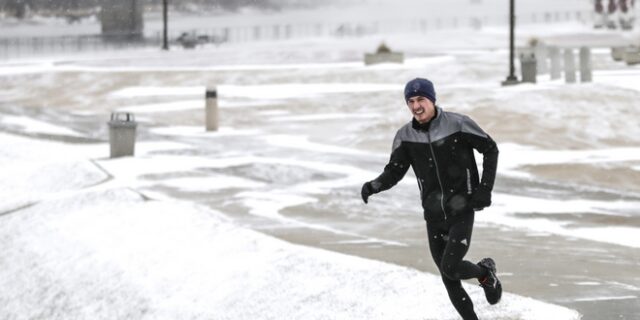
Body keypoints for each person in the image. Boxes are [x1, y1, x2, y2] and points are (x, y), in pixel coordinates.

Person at [361, 78, 501, 320]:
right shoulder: (405, 136)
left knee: (451, 267)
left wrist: (483, 189)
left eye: (421, 100)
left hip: (461, 209)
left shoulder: (458, 124)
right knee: (449, 279)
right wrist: (374, 185)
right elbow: (395, 171)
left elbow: (490, 149)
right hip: (434, 215)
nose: (416, 106)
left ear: (432, 100)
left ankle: (485, 273)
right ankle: (478, 297)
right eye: (411, 101)